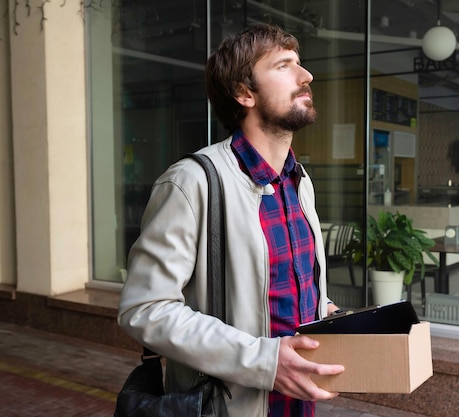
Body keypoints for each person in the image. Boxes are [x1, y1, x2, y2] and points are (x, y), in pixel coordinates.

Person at [118, 23, 344, 417]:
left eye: (301, 64)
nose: (306, 75)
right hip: (223, 408)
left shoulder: (299, 181)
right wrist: (264, 362)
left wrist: (324, 313)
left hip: (297, 404)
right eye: (284, 65)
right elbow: (145, 308)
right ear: (244, 93)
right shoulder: (191, 182)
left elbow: (277, 289)